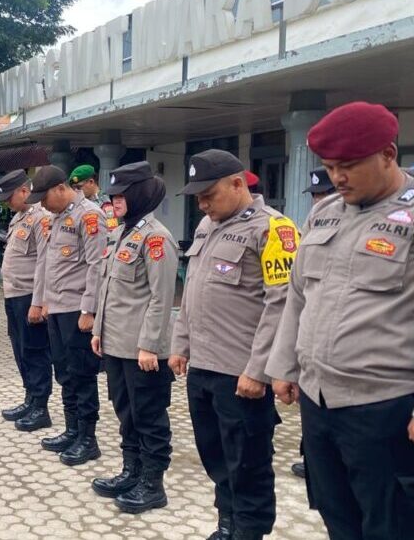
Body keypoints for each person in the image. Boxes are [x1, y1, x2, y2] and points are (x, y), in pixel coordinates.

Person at [267, 101, 414, 540]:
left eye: (349, 166)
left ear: (388, 154)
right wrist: (283, 367)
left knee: (394, 524)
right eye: (330, 166)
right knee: (338, 513)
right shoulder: (325, 213)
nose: (337, 177)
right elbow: (297, 295)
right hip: (320, 403)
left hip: (388, 406)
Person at [170, 149, 298, 540]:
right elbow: (192, 291)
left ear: (238, 183)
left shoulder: (274, 229)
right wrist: (180, 343)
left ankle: (250, 531)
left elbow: (283, 303)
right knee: (216, 456)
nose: (203, 204)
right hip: (204, 369)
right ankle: (227, 524)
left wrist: (259, 370)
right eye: (197, 198)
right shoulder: (208, 227)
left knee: (248, 464)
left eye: (209, 194)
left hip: (242, 374)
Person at [89, 162, 178, 514]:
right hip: (116, 344)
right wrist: (98, 331)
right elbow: (107, 289)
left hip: (142, 351)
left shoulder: (156, 238)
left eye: (122, 193)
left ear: (140, 194)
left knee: (149, 416)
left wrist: (149, 345)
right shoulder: (120, 233)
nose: (115, 200)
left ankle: (153, 484)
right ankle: (132, 471)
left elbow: (161, 297)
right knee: (126, 412)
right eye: (113, 194)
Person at [26, 165, 107, 466]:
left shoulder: (89, 215)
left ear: (61, 188)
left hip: (77, 310)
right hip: (57, 309)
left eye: (44, 197)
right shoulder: (56, 218)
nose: (41, 204)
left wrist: (90, 310)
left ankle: (88, 439)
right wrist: (42, 300)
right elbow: (48, 264)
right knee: (64, 372)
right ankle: (72, 430)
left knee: (82, 375)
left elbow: (97, 266)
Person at [287, 167, 336, 479]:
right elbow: (296, 294)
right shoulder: (312, 227)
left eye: (324, 193)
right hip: (312, 350)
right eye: (316, 194)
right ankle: (312, 455)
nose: (319, 200)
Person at [0, 169, 53, 432]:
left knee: (35, 351)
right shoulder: (19, 217)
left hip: (29, 296)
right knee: (20, 349)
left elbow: (44, 262)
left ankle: (41, 407)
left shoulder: (41, 218)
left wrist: (38, 302)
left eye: (10, 196)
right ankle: (30, 397)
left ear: (24, 190)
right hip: (13, 294)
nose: (8, 202)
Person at [70, 164, 119, 231]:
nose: (76, 191)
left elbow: (111, 233)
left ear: (91, 182)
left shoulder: (105, 205)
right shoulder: (78, 202)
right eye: (74, 188)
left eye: (79, 187)